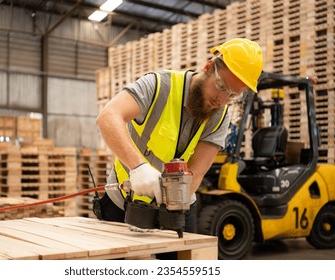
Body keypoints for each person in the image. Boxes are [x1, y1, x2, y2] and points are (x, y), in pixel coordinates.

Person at [95, 38, 264, 234]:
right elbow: (108, 117)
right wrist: (138, 168)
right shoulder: (158, 86)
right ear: (208, 67)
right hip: (121, 200)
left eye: (233, 95)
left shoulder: (220, 116)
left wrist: (167, 209)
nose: (222, 99)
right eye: (221, 86)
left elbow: (197, 172)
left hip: (176, 208)